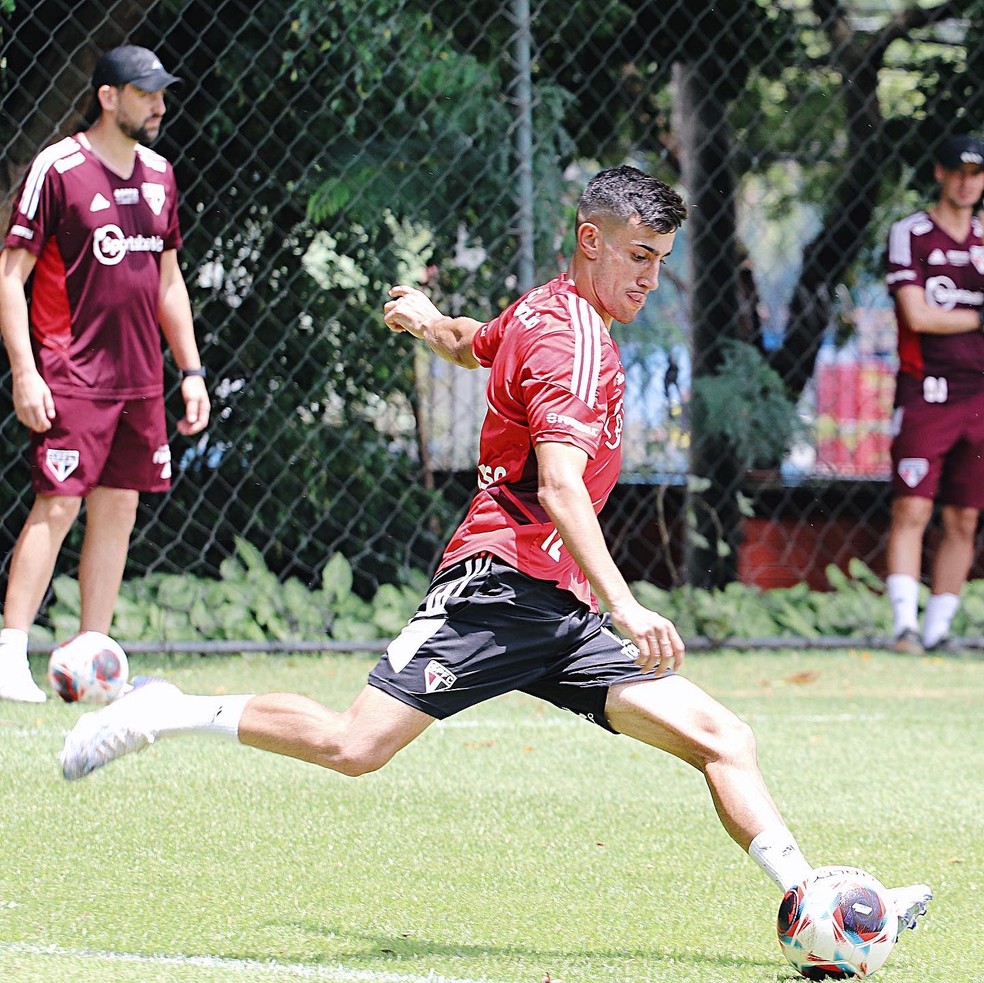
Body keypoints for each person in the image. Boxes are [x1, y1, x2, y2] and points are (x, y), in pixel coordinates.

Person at [58, 166, 931, 940]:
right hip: (498, 588)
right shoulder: (571, 340)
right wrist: (626, 605)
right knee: (353, 745)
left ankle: (814, 901)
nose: (650, 277)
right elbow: (557, 487)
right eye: (638, 256)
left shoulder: (546, 310)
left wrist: (424, 317)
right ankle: (162, 709)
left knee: (721, 736)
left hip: (559, 606)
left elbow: (472, 342)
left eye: (662, 259)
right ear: (590, 241)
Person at [0, 45, 210, 702]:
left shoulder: (160, 175)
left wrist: (192, 371)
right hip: (69, 373)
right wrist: (24, 371)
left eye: (162, 93)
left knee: (117, 508)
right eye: (146, 93)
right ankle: (9, 655)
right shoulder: (57, 168)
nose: (159, 105)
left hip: (141, 381)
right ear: (108, 97)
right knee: (58, 503)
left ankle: (92, 661)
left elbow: (168, 283)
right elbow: (11, 278)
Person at [885, 133, 984, 654]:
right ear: (941, 174)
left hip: (981, 395)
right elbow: (917, 315)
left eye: (977, 173)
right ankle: (903, 626)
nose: (968, 182)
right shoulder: (911, 234)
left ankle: (939, 629)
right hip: (927, 389)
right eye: (959, 171)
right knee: (913, 508)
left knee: (965, 516)